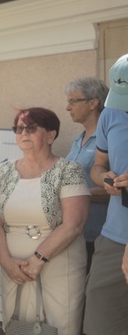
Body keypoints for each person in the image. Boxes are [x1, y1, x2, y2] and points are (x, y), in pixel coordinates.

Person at [0, 107, 89, 335]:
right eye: (19, 128)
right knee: (18, 327)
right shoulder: (2, 171)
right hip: (13, 269)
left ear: (51, 135)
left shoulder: (69, 171)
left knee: (60, 327)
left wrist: (37, 259)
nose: (24, 133)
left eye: (31, 128)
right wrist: (6, 262)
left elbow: (74, 224)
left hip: (60, 267)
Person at [84, 53, 128, 334]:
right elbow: (98, 166)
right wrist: (105, 178)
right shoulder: (111, 113)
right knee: (99, 324)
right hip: (113, 237)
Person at [64, 77, 109, 272]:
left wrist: (79, 195)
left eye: (73, 101)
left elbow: (117, 187)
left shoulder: (109, 139)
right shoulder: (78, 139)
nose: (68, 107)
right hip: (75, 234)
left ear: (93, 103)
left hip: (99, 236)